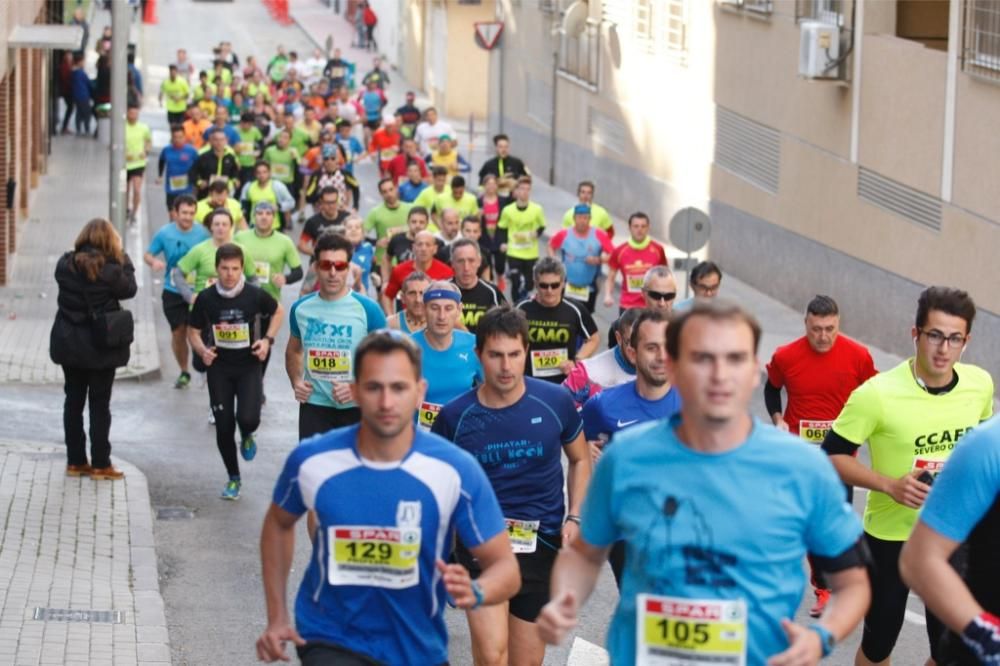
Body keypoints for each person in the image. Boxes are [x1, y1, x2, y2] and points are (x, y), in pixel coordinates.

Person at [538, 300, 872, 665]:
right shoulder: (627, 457)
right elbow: (586, 555)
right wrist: (567, 598)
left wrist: (821, 637)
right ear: (677, 366)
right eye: (702, 358)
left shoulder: (801, 467)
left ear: (754, 372)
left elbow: (853, 581)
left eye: (734, 358)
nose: (718, 373)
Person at [257, 330, 520, 665]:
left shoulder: (455, 470)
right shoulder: (313, 460)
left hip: (416, 647)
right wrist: (277, 615)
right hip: (330, 637)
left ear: (419, 392)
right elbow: (278, 524)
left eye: (398, 388)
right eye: (373, 387)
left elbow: (505, 567)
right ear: (353, 391)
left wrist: (478, 590)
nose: (386, 402)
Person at [822, 286, 994, 665]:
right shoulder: (877, 394)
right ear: (915, 334)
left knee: (948, 649)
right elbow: (830, 455)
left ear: (966, 342)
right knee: (880, 642)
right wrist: (889, 485)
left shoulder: (980, 385)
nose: (943, 348)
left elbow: (983, 454)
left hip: (953, 537)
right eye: (934, 335)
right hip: (890, 538)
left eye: (954, 339)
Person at [433, 305, 591, 666]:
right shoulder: (454, 417)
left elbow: (581, 459)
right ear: (479, 355)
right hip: (481, 545)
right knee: (491, 657)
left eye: (514, 355)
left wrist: (575, 517)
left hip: (541, 543)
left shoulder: (554, 402)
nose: (506, 366)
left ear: (526, 353)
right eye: (496, 356)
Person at [765, 295, 877, 616]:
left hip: (840, 458)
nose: (824, 336)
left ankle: (846, 580)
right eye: (817, 329)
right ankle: (824, 588)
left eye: (830, 329)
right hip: (800, 455)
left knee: (835, 522)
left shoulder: (858, 356)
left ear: (838, 324)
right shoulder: (786, 356)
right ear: (806, 325)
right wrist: (777, 419)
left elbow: (875, 396)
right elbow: (772, 389)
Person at [579, 309, 682, 586]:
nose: (661, 356)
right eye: (651, 348)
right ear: (633, 354)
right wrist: (583, 450)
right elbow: (574, 440)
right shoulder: (603, 405)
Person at [900, 416, 1000, 665]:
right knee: (879, 642)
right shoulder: (988, 444)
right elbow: (919, 559)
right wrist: (987, 636)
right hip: (981, 653)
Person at [188, 244, 283, 500]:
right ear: (217, 269)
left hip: (248, 365)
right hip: (219, 367)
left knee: (249, 418)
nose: (230, 274)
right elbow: (193, 332)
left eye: (235, 268)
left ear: (242, 269)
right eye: (225, 269)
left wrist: (267, 341)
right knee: (223, 426)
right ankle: (233, 478)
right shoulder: (206, 298)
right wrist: (202, 351)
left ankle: (248, 433)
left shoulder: (254, 295)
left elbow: (278, 312)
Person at [50, 218, 137, 481]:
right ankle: (101, 464)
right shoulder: (111, 270)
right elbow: (129, 289)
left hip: (69, 344)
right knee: (100, 405)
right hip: (101, 347)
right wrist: (125, 259)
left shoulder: (65, 265)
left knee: (73, 402)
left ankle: (75, 461)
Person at [286, 232, 386, 442]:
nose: (333, 272)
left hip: (357, 408)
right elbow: (294, 350)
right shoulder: (300, 309)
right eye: (326, 265)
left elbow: (386, 361)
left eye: (340, 266)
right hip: (314, 407)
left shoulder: (368, 309)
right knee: (314, 471)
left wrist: (357, 387)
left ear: (348, 268)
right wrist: (296, 380)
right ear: (315, 267)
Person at [144, 195, 209, 388]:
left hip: (197, 290)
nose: (187, 217)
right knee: (178, 332)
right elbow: (148, 254)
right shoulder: (165, 233)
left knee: (194, 331)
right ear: (175, 213)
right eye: (184, 213)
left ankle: (201, 366)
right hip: (172, 289)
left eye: (191, 213)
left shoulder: (203, 233)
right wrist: (153, 261)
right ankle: (184, 371)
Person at [234, 202, 302, 380]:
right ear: (253, 217)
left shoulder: (284, 241)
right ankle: (242, 380)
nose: (264, 217)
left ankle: (257, 381)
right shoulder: (240, 238)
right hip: (241, 297)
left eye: (268, 213)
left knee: (263, 342)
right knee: (241, 343)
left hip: (268, 301)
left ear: (274, 218)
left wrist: (285, 278)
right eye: (260, 213)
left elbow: (298, 271)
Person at [515, 257, 599, 385]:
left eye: (555, 285)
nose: (549, 291)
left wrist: (577, 361)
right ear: (535, 283)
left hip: (564, 382)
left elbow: (593, 338)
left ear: (563, 283)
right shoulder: (521, 308)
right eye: (543, 286)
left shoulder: (575, 309)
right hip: (528, 381)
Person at [412, 282, 482, 432]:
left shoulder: (474, 345)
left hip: (464, 435)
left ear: (459, 310)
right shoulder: (405, 348)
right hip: (419, 438)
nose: (441, 316)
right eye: (434, 308)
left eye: (448, 308)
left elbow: (491, 391)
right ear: (424, 309)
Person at [562, 306, 639, 408]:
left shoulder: (663, 370)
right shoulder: (587, 373)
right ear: (619, 338)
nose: (637, 349)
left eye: (647, 344)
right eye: (632, 342)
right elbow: (559, 410)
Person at [548, 204, 612, 313]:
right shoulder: (564, 234)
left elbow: (612, 254)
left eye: (585, 218)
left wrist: (599, 260)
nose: (582, 221)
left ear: (590, 219)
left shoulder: (598, 234)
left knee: (585, 316)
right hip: (566, 284)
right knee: (564, 314)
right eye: (579, 217)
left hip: (589, 287)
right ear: (574, 218)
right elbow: (551, 246)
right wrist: (554, 261)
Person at [603, 212, 667, 312]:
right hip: (628, 306)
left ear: (648, 228)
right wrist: (607, 295)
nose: (639, 230)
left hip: (651, 307)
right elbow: (611, 277)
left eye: (643, 226)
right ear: (629, 228)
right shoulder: (620, 251)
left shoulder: (658, 250)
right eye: (636, 226)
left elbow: (665, 277)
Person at [498, 176, 547, 302]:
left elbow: (542, 226)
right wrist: (503, 243)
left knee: (529, 283)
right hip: (514, 251)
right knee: (515, 280)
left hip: (530, 252)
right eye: (522, 189)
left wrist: (537, 233)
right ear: (516, 191)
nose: (524, 192)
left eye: (527, 189)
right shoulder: (508, 210)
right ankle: (516, 304)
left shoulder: (537, 209)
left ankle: (524, 299)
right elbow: (502, 227)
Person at [382, 231, 453, 314]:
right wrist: (391, 317)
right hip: (407, 321)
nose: (423, 249)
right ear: (413, 248)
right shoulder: (399, 270)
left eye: (428, 245)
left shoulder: (447, 272)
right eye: (420, 244)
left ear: (435, 249)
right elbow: (387, 296)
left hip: (435, 322)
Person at [607, 265, 677, 349]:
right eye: (655, 295)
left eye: (669, 296)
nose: (662, 303)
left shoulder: (686, 326)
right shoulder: (622, 327)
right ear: (643, 293)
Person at [449, 238, 506, 334]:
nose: (466, 268)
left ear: (479, 262)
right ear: (452, 263)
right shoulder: (443, 290)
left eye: (471, 261)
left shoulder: (492, 292)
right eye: (460, 261)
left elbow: (507, 326)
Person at [363, 177, 412, 267]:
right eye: (384, 192)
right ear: (380, 194)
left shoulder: (410, 208)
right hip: (383, 262)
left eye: (391, 189)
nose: (389, 194)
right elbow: (362, 235)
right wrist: (375, 243)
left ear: (396, 188)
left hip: (406, 260)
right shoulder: (375, 212)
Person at [239, 161, 295, 230]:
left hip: (274, 227)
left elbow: (291, 202)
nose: (262, 175)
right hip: (254, 226)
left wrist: (279, 206)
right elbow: (243, 206)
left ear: (269, 173)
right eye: (258, 173)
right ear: (255, 174)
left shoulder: (277, 186)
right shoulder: (248, 187)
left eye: (264, 172)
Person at [156, 125, 198, 212]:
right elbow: (161, 161)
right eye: (175, 137)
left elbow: (199, 166)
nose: (178, 139)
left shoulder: (192, 151)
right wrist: (160, 176)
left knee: (185, 214)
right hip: (171, 189)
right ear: (171, 137)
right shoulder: (166, 150)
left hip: (187, 189)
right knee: (173, 216)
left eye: (180, 137)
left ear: (184, 137)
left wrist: (196, 181)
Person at [299, 186, 350, 256]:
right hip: (321, 264)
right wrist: (319, 254)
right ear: (321, 202)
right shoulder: (312, 222)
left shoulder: (347, 217)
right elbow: (301, 245)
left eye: (334, 202)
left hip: (342, 262)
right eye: (328, 203)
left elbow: (357, 238)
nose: (331, 206)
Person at [191, 129, 240, 199]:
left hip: (225, 194)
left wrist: (235, 180)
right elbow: (192, 173)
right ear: (211, 141)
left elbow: (235, 171)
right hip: (206, 193)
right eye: (216, 140)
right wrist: (199, 182)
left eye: (222, 140)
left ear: (226, 141)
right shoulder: (203, 156)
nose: (219, 142)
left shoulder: (230, 156)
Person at [384, 206, 430, 278]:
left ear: (427, 223)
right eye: (414, 222)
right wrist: (386, 281)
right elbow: (386, 259)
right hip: (401, 284)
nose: (417, 225)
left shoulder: (435, 242)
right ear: (408, 222)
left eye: (421, 222)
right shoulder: (397, 240)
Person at [125, 105, 152, 225]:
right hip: (124, 164)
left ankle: (134, 213)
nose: (133, 116)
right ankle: (125, 209)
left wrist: (145, 151)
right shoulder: (121, 127)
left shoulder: (143, 128)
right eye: (131, 113)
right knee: (124, 190)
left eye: (136, 114)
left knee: (137, 189)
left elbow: (149, 141)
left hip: (138, 163)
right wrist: (124, 154)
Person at [69, 54, 93, 136]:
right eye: (83, 61)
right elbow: (88, 82)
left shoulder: (73, 72)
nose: (84, 63)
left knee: (79, 113)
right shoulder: (80, 73)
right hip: (83, 95)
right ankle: (86, 129)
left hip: (77, 95)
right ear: (79, 62)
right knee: (87, 113)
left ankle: (78, 129)